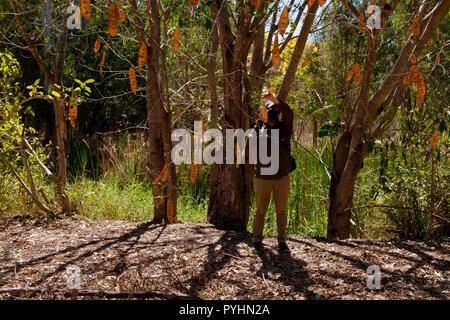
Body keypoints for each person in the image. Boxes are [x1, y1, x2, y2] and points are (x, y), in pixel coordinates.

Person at [253, 91, 294, 255]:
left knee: (281, 210)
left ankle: (282, 242)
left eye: (274, 111)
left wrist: (275, 100)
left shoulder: (285, 129)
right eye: (269, 111)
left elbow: (289, 112)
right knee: (260, 210)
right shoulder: (259, 129)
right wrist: (260, 120)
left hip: (282, 176)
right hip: (263, 177)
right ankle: (257, 240)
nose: (272, 114)